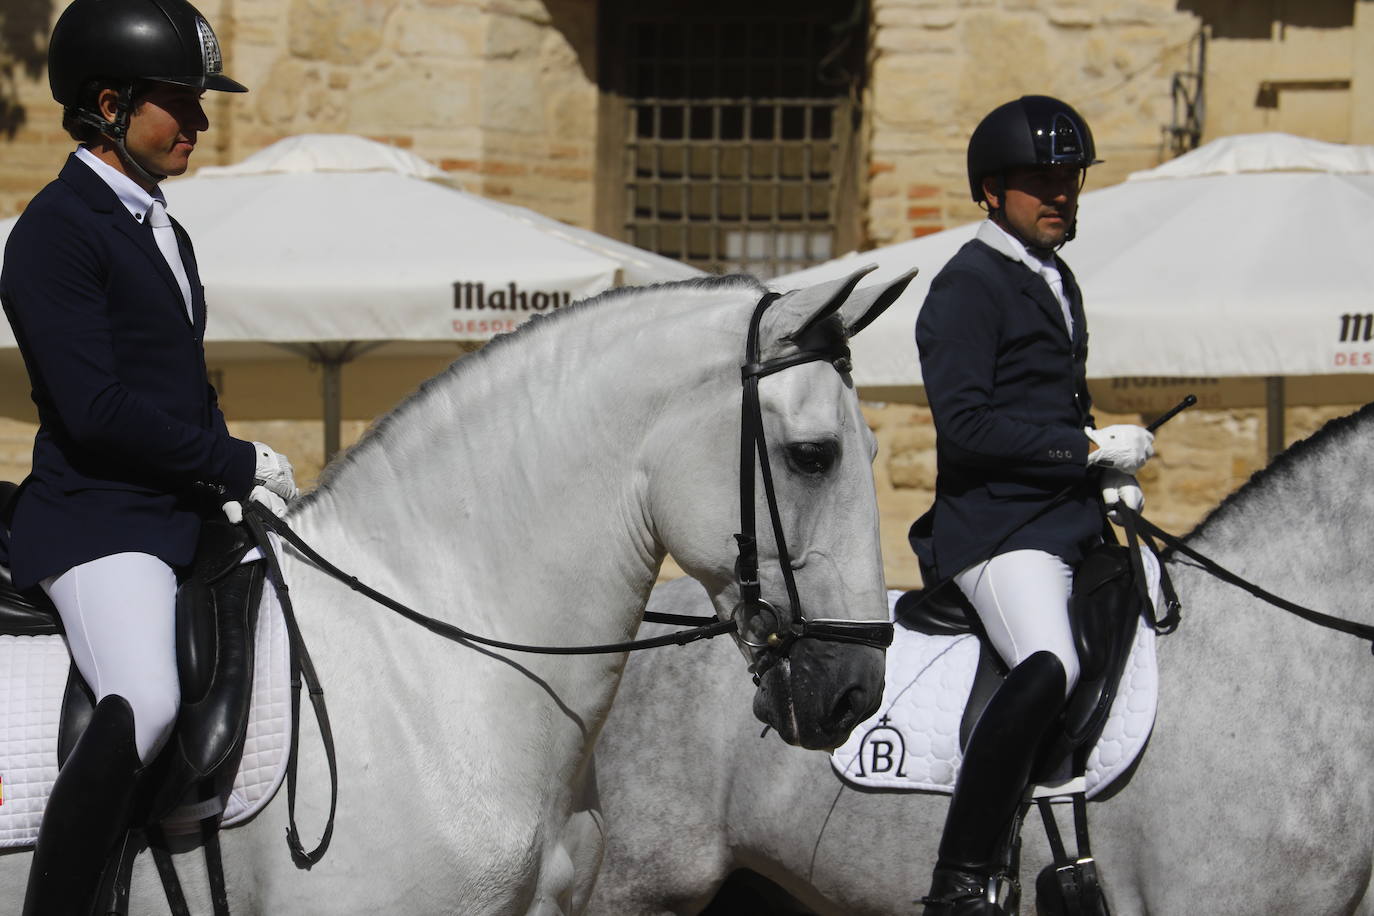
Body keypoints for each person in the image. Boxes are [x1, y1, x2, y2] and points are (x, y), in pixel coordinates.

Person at [0, 1, 298, 911]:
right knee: (149, 697)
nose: (201, 124)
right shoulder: (54, 230)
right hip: (99, 520)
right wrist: (236, 462)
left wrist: (229, 483)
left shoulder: (161, 224)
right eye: (182, 103)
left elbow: (176, 390)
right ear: (108, 103)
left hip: (182, 509)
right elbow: (96, 411)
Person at [911, 95, 1154, 914]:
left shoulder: (1053, 275)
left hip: (1065, 517)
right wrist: (1084, 450)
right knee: (1053, 664)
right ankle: (961, 877)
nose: (1060, 195)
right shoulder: (965, 286)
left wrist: (1100, 473)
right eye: (1039, 182)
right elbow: (968, 424)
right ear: (990, 191)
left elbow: (1050, 403)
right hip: (996, 531)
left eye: (1069, 179)